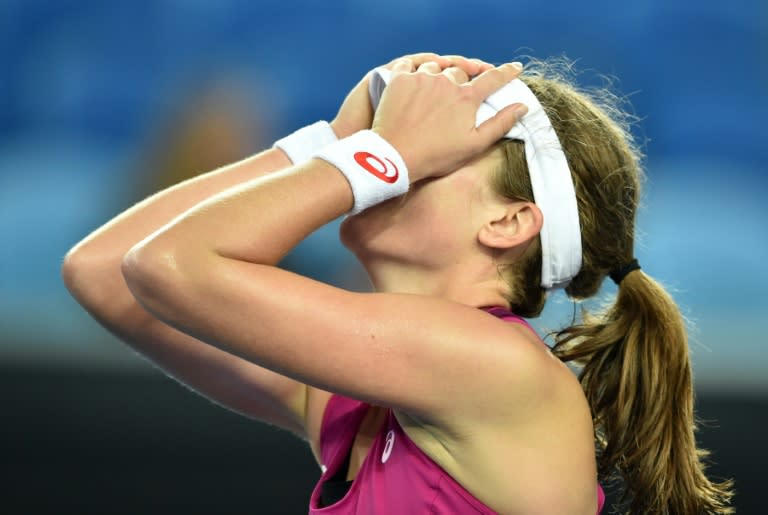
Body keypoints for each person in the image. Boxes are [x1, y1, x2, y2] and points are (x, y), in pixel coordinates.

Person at [62, 53, 734, 514]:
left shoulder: (491, 362)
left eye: (436, 153)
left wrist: (374, 156)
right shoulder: (367, 392)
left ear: (509, 221)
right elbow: (107, 272)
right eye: (403, 146)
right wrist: (331, 142)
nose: (400, 160)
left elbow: (167, 265)